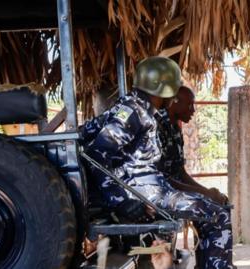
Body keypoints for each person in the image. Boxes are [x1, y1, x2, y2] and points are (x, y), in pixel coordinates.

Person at [80, 56, 234, 269]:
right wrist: (120, 201)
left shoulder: (142, 110)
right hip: (145, 192)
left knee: (213, 209)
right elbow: (97, 155)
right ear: (164, 87)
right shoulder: (133, 111)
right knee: (217, 215)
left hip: (152, 189)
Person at [156, 85, 228, 205]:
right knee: (217, 215)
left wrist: (208, 193)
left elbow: (180, 173)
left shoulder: (174, 128)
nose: (193, 110)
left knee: (221, 203)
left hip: (176, 192)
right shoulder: (155, 127)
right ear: (174, 102)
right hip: (161, 194)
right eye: (190, 105)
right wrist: (205, 194)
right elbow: (160, 178)